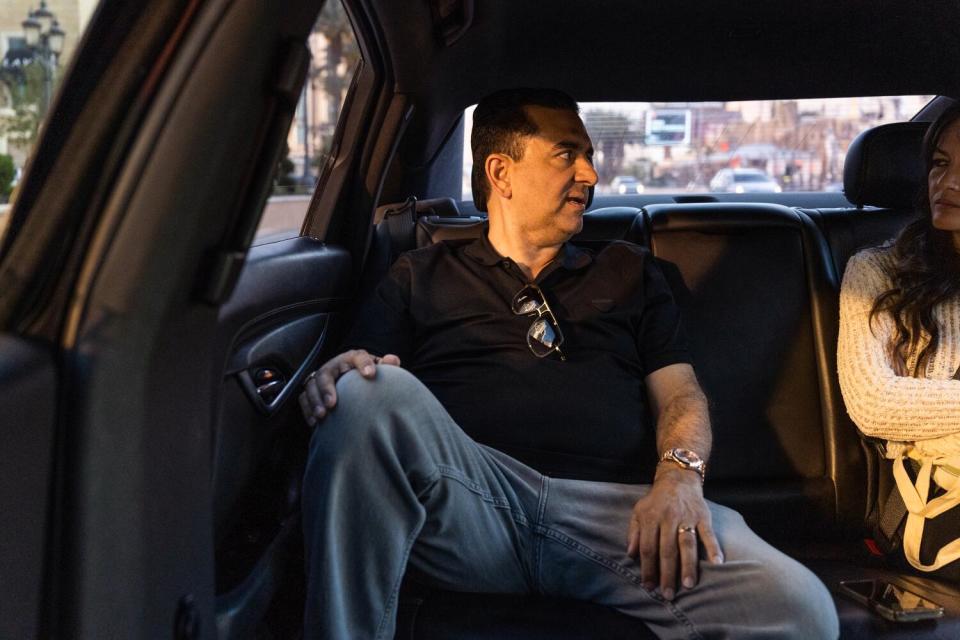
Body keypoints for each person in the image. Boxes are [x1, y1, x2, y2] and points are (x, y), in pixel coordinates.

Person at [299, 88, 838, 640]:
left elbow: (681, 394)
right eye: (566, 155)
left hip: (615, 517)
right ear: (501, 172)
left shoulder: (630, 271)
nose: (590, 175)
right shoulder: (418, 274)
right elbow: (372, 375)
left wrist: (679, 477)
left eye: (590, 157)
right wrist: (343, 375)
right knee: (366, 391)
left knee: (800, 610)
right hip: (470, 506)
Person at [838, 102, 960, 575]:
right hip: (932, 499)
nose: (946, 184)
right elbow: (874, 402)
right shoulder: (877, 271)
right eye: (940, 164)